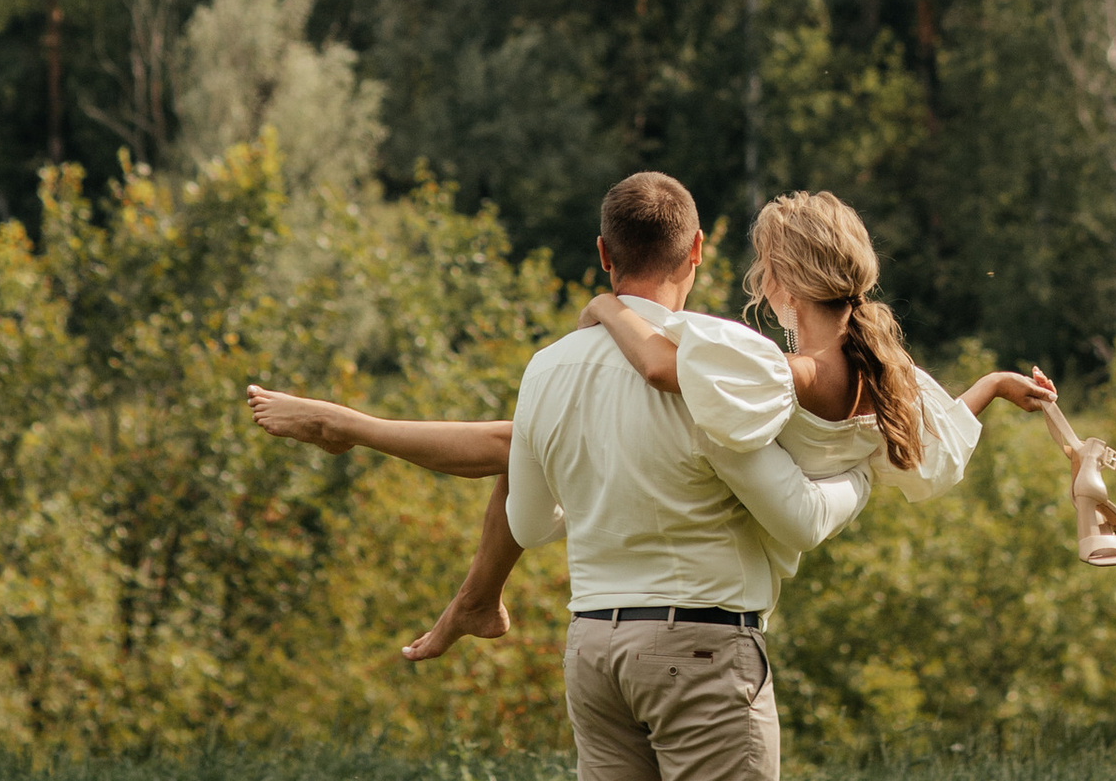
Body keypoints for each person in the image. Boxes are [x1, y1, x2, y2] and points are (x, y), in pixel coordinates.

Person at [246, 187, 1061, 666]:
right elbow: (936, 447)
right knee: (530, 433)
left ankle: (376, 451)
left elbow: (664, 368)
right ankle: (417, 512)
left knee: (526, 434)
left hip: (734, 552)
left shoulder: (782, 370)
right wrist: (989, 384)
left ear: (779, 282)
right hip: (740, 546)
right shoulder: (887, 374)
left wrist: (604, 308)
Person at [257, 171, 872, 781]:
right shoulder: (722, 354)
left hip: (594, 653)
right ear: (697, 250)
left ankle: (356, 430)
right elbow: (796, 508)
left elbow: (525, 518)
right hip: (702, 648)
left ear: (604, 254)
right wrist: (868, 467)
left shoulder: (547, 368)